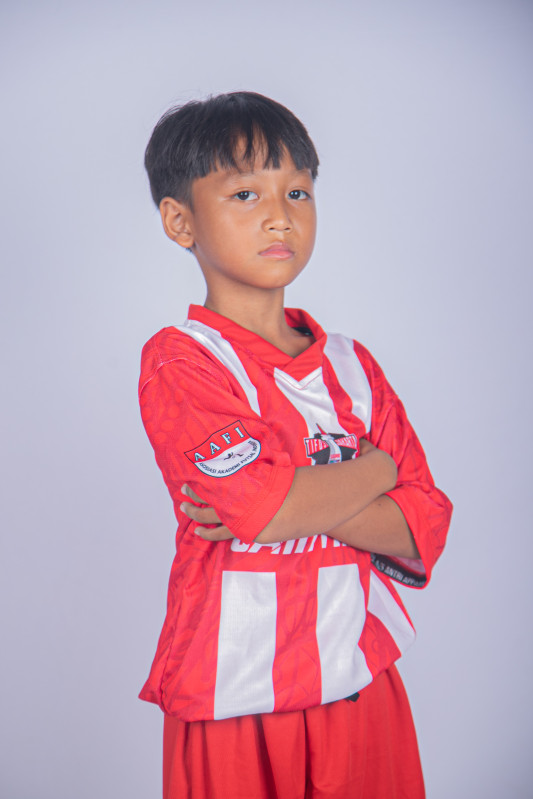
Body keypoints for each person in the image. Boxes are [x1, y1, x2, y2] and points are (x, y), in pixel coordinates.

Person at [139, 91, 452, 799]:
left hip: (359, 684)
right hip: (232, 696)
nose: (280, 215)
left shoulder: (352, 366)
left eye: (298, 192)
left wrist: (287, 498)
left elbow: (424, 525)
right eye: (245, 193)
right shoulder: (182, 360)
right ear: (180, 221)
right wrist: (374, 469)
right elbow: (265, 509)